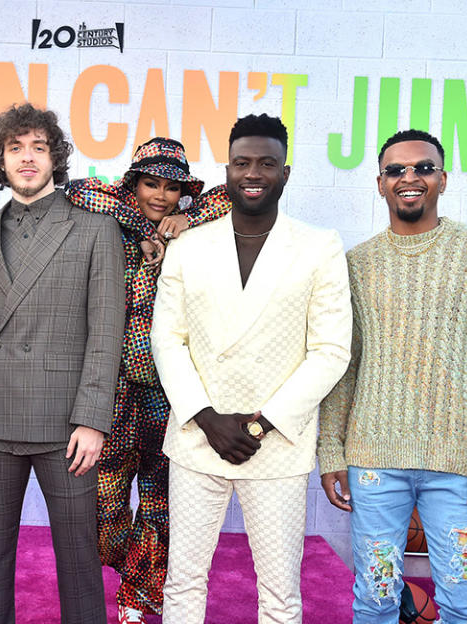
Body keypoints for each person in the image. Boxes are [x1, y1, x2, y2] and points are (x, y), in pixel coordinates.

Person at [318, 129, 467, 623]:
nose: (409, 178)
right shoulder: (357, 265)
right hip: (373, 463)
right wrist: (331, 449)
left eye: (422, 168)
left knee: (465, 602)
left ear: (443, 179)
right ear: (380, 183)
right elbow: (341, 365)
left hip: (459, 466)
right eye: (396, 170)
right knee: (375, 601)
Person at [150, 113, 352, 624]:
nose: (253, 173)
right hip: (199, 438)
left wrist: (260, 423)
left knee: (281, 594)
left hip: (277, 443)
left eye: (267, 162)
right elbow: (166, 340)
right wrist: (206, 417)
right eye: (242, 163)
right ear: (228, 170)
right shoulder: (189, 245)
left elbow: (330, 351)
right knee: (184, 583)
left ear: (286, 172)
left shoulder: (318, 246)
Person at [0, 103, 124, 624]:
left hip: (67, 426)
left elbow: (106, 333)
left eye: (38, 147)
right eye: (15, 148)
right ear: (0, 160)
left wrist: (93, 419)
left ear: (56, 156)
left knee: (79, 563)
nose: (27, 158)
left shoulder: (95, 230)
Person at [65, 137, 229, 623]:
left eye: (172, 188)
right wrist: (143, 227)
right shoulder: (111, 217)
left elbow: (226, 195)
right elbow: (75, 188)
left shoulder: (193, 226)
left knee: (161, 503)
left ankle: (138, 599)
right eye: (151, 183)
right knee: (105, 506)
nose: (160, 195)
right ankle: (127, 566)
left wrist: (187, 218)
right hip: (114, 393)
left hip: (168, 392)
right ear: (133, 182)